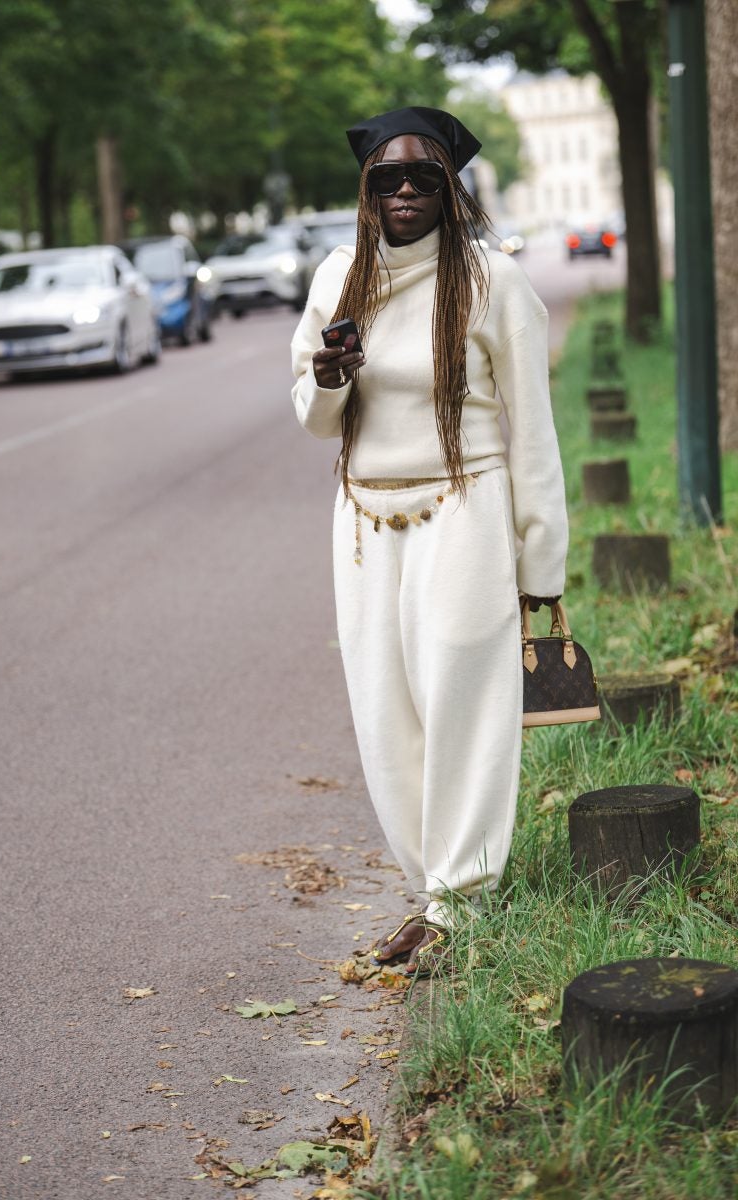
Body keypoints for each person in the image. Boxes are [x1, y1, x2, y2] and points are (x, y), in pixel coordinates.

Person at [291, 107, 568, 976]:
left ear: (454, 187)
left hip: (465, 509)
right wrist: (331, 379)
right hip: (366, 521)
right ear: (364, 189)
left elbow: (533, 432)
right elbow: (309, 410)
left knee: (461, 701)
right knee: (388, 713)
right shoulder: (341, 275)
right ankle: (431, 888)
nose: (404, 191)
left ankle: (463, 897)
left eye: (423, 178)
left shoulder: (490, 280)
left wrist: (540, 565)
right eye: (386, 178)